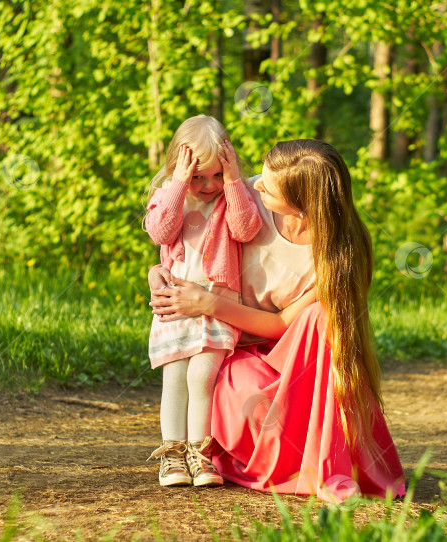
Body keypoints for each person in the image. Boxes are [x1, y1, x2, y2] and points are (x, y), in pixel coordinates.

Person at [149, 139, 405, 502]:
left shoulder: (339, 255)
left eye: (268, 186)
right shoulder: (246, 198)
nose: (256, 185)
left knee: (320, 316)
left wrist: (206, 303)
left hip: (299, 361)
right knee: (248, 399)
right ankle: (241, 449)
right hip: (234, 346)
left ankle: (324, 459)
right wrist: (157, 271)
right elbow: (186, 234)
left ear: (302, 206)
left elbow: (284, 323)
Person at [144, 115, 262, 487]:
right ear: (180, 168)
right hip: (176, 302)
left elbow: (246, 229)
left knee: (202, 374)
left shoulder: (232, 196)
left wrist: (232, 182)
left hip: (217, 302)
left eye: (216, 175)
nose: (207, 185)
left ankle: (200, 453)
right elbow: (161, 231)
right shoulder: (168, 196)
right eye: (198, 177)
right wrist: (179, 183)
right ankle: (173, 455)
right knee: (176, 377)